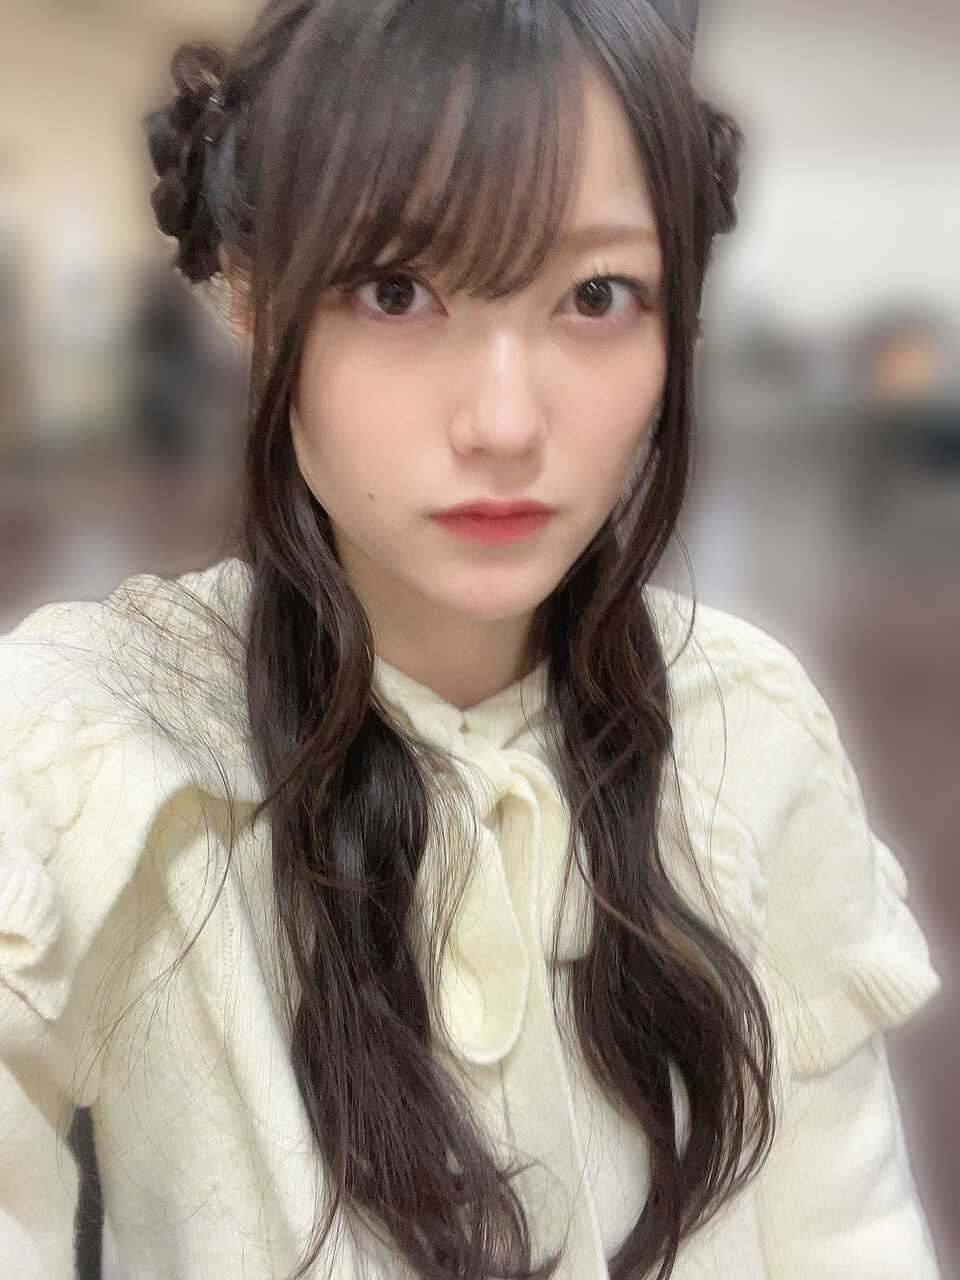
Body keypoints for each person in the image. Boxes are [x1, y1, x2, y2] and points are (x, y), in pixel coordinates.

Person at [0, 2, 945, 1277]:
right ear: (253, 303)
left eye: (597, 295)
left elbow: (851, 1232)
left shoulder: (751, 727)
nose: (504, 422)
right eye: (397, 290)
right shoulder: (83, 750)